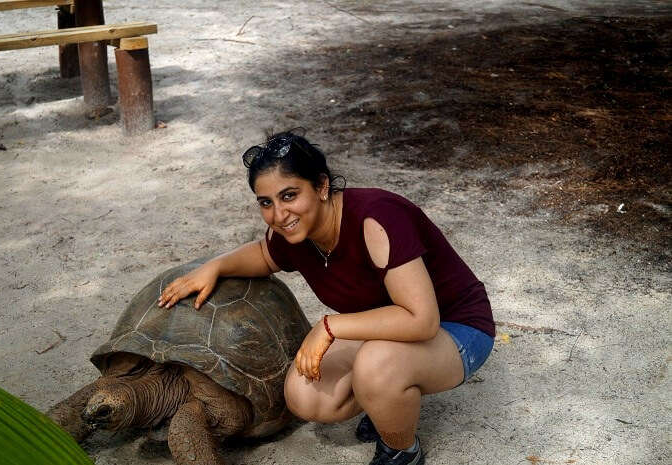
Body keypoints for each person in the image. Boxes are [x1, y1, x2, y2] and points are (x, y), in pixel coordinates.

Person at [157, 129, 495, 465]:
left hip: (457, 329)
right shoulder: (297, 234)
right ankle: (384, 403)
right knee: (304, 394)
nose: (279, 215)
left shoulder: (376, 218)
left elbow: (422, 321)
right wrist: (215, 266)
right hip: (388, 329)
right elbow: (263, 254)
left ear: (321, 186)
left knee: (377, 368)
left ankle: (402, 451)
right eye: (266, 202)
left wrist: (329, 327)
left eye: (289, 195)